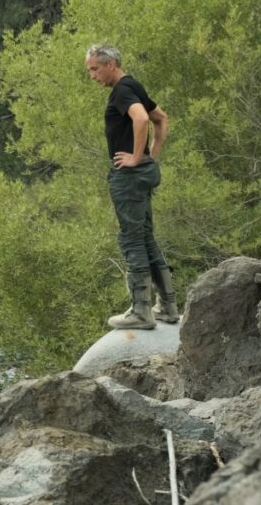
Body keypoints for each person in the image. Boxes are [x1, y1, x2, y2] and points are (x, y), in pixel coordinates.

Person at [85, 43, 179, 329]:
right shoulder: (133, 85)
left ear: (110, 64)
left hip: (129, 178)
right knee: (146, 237)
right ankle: (168, 307)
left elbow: (141, 118)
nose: (92, 76)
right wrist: (151, 156)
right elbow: (160, 119)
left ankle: (141, 312)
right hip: (143, 174)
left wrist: (137, 158)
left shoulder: (123, 90)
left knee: (132, 239)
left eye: (94, 69)